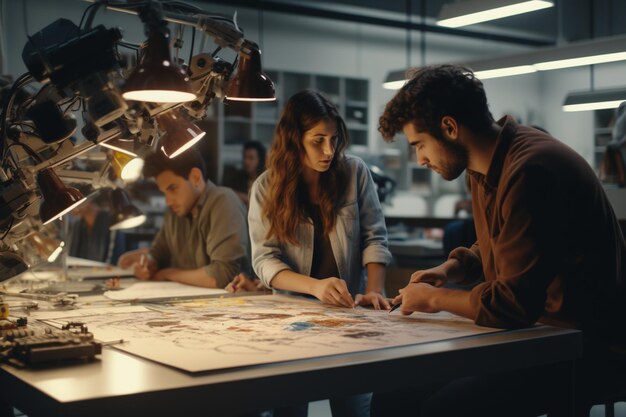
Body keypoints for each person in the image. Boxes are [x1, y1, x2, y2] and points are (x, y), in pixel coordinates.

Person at [373, 64, 626, 416]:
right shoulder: (485, 164)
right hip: (534, 335)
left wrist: (434, 298)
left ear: (449, 127)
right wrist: (452, 268)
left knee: (440, 410)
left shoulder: (529, 169)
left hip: (583, 346)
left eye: (419, 144)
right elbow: (505, 241)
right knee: (393, 397)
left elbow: (512, 305)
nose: (421, 159)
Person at [247, 89, 392, 417]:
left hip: (348, 315)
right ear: (294, 140)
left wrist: (374, 290)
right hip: (292, 320)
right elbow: (265, 260)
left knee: (354, 408)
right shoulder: (265, 189)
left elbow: (374, 236)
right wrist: (315, 286)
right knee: (290, 407)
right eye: (317, 140)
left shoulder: (355, 173)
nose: (329, 151)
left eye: (334, 139)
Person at [118, 149, 250, 289]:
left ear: (195, 177)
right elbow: (158, 253)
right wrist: (148, 264)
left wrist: (168, 273)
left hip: (234, 304)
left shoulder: (223, 201)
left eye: (173, 188)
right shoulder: (175, 211)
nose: (168, 201)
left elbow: (221, 276)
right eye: (164, 193)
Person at [223, 140, 267, 207]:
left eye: (251, 158)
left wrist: (244, 197)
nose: (246, 162)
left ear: (260, 160)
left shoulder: (266, 180)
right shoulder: (236, 178)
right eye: (245, 157)